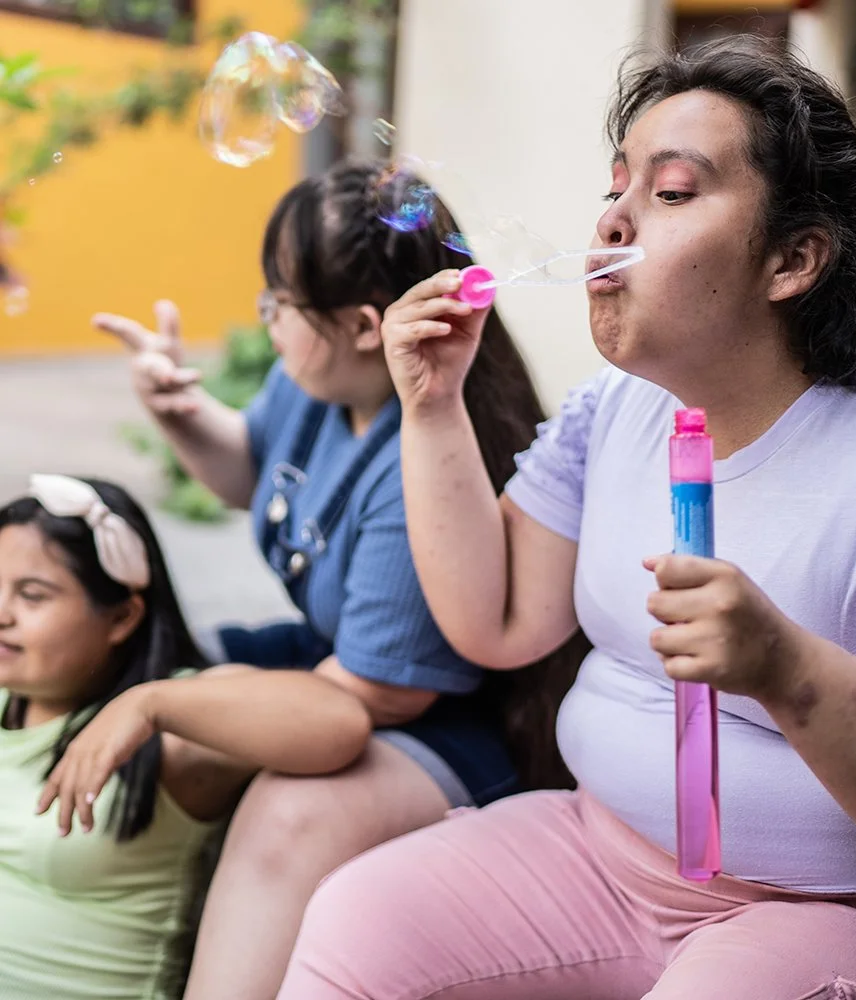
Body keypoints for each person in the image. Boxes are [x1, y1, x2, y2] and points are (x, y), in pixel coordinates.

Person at [275, 38, 856, 1000]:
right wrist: (433, 406)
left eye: (669, 192)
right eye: (615, 188)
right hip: (605, 855)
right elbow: (496, 622)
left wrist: (789, 670)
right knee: (354, 921)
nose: (612, 219)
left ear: (793, 258)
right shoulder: (619, 409)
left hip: (848, 912)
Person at [96, 160, 586, 1000]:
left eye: (279, 304)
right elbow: (257, 472)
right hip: (336, 661)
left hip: (448, 720)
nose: (267, 321)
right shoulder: (315, 386)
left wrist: (210, 712)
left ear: (363, 326)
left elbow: (379, 697)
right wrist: (178, 410)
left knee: (266, 798)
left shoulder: (417, 465)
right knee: (131, 659)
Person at [0, 474, 370, 1000]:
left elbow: (340, 722)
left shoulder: (170, 725)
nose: (2, 614)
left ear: (123, 616)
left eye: (32, 596)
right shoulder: (9, 693)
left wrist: (150, 705)